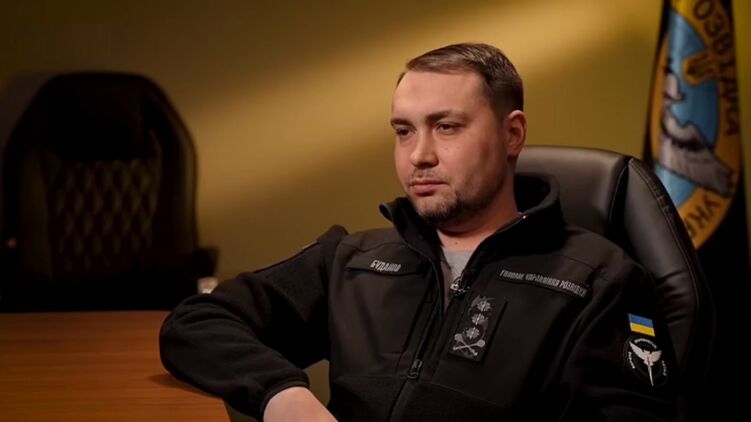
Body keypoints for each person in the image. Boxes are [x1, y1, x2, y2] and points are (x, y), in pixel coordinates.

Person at [160, 43, 678, 421]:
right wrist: (283, 396)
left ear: (512, 133)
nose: (419, 155)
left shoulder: (599, 281)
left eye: (446, 127)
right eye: (404, 131)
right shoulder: (353, 259)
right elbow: (197, 323)